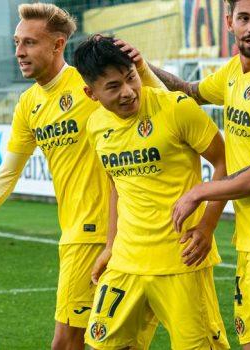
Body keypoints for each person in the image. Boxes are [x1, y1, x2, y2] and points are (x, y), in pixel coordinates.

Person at [0, 4, 154, 349]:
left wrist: (144, 68)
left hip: (100, 235)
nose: (19, 52)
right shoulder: (29, 104)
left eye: (30, 43)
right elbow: (6, 176)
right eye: (17, 42)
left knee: (67, 343)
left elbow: (155, 107)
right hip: (87, 235)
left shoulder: (90, 84)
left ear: (58, 44)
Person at [140, 0, 250, 348]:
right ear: (229, 22)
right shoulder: (234, 72)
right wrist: (141, 64)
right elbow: (190, 92)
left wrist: (199, 192)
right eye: (245, 18)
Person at [73, 36, 229, 349]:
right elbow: (118, 185)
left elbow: (224, 162)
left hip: (181, 260)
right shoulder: (96, 127)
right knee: (101, 345)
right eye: (113, 86)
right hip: (125, 262)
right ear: (91, 93)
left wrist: (207, 226)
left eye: (130, 78)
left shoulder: (176, 108)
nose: (128, 92)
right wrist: (109, 246)